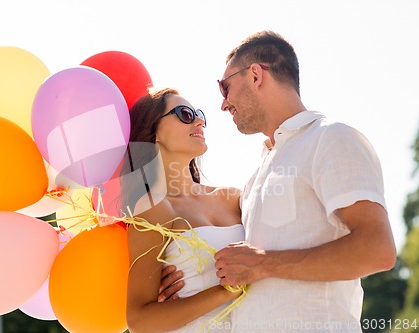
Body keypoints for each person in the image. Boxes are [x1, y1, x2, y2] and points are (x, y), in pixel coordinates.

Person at [159, 31, 397, 332]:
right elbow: (242, 266)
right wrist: (185, 276)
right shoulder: (256, 175)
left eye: (225, 87)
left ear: (256, 75)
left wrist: (262, 263)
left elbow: (377, 250)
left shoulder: (330, 138)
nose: (223, 105)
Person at [122, 88, 245, 333]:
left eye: (199, 114)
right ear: (155, 132)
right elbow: (138, 320)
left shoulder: (234, 197)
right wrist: (225, 291)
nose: (200, 121)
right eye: (185, 114)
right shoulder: (153, 208)